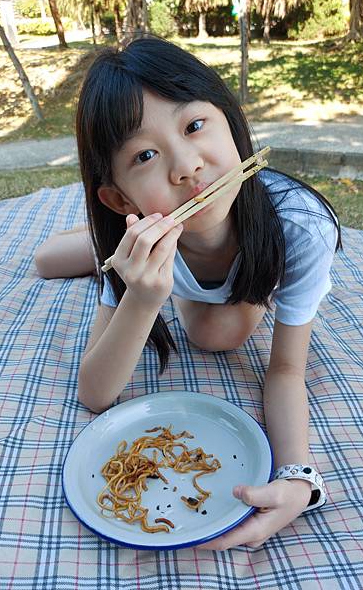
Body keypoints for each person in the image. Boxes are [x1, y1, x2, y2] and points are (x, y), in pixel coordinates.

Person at [35, 36, 341, 550]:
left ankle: (112, 249)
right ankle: (93, 241)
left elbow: (286, 369)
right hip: (139, 236)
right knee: (46, 262)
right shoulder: (134, 244)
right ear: (117, 197)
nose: (187, 167)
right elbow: (95, 392)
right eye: (146, 155)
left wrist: (298, 478)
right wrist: (142, 296)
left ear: (232, 123)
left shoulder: (302, 228)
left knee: (215, 330)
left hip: (239, 256)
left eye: (195, 126)